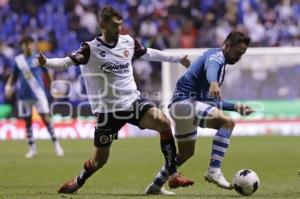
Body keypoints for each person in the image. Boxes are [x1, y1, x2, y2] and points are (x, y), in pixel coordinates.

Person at [36, 6, 194, 194]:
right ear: (103, 25)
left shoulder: (128, 42)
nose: (119, 29)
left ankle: (173, 175)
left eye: (120, 24)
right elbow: (66, 62)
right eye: (114, 25)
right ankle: (78, 181)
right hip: (108, 112)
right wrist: (46, 63)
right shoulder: (90, 49)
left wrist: (177, 59)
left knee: (163, 122)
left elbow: (149, 53)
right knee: (99, 161)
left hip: (133, 102)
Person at [145, 31, 254, 194]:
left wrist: (236, 107)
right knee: (228, 122)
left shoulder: (219, 62)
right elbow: (212, 69)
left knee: (186, 153)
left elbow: (213, 103)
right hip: (185, 105)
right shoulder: (216, 57)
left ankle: (155, 185)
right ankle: (214, 171)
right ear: (227, 46)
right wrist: (214, 82)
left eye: (243, 54)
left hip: (181, 107)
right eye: (238, 52)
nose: (239, 57)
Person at [5, 36, 64, 158]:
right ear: (22, 46)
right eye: (24, 44)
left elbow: (47, 73)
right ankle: (32, 148)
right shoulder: (18, 60)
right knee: (27, 122)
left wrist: (51, 87)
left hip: (38, 94)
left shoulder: (38, 59)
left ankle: (56, 144)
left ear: (33, 45)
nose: (27, 46)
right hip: (24, 96)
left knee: (46, 119)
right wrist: (9, 86)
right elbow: (14, 76)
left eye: (29, 43)